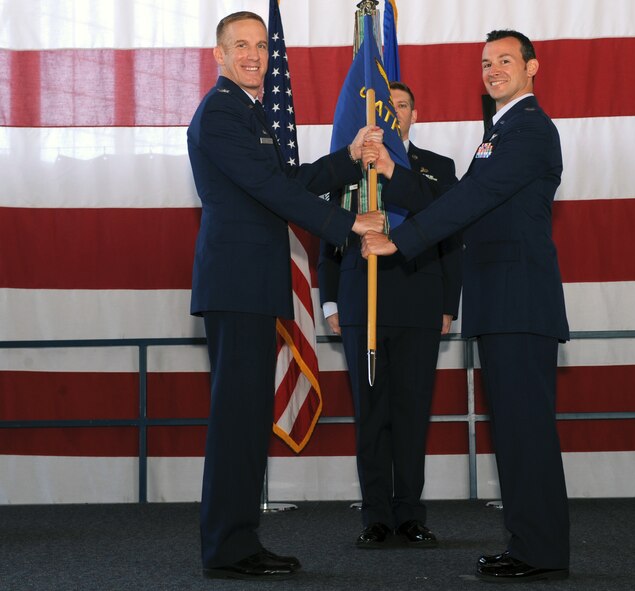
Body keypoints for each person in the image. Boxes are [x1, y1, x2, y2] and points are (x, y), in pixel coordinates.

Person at [361, 30, 570, 582]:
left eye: (506, 60)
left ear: (532, 67)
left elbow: (473, 200)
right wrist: (392, 176)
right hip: (501, 302)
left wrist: (400, 240)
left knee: (527, 431)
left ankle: (542, 551)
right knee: (515, 431)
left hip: (520, 302)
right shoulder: (498, 133)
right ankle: (530, 545)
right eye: (486, 62)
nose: (494, 69)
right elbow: (457, 199)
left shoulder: (528, 130)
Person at [187, 11, 384, 581]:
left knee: (248, 418)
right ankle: (227, 547)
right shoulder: (222, 112)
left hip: (252, 284)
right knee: (236, 420)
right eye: (240, 46)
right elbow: (271, 189)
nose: (254, 54)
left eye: (261, 45)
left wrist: (347, 157)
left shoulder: (248, 113)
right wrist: (351, 227)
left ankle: (239, 540)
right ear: (219, 55)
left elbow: (288, 183)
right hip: (236, 284)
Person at [318, 82, 462, 549]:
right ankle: (375, 515)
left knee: (412, 414)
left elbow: (450, 234)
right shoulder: (351, 166)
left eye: (400, 106)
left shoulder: (437, 168)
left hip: (420, 304)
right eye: (385, 106)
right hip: (364, 303)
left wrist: (448, 303)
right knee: (372, 414)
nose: (393, 113)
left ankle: (410, 515)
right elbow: (330, 240)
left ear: (413, 115)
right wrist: (331, 300)